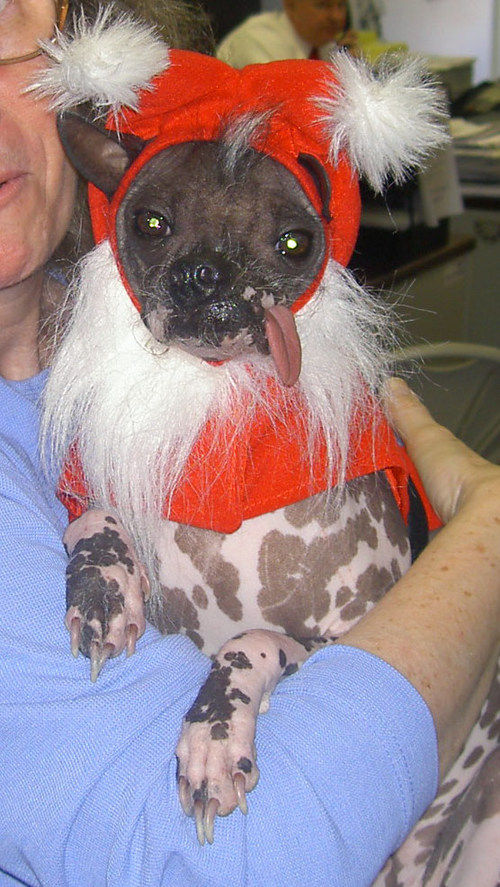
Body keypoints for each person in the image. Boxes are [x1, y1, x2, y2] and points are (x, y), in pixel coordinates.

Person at [0, 2, 498, 885]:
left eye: (9, 29)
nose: (208, 271)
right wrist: (487, 535)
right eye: (158, 227)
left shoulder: (104, 393)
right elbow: (209, 861)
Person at [216, 0, 405, 68]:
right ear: (290, 6)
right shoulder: (258, 39)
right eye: (323, 5)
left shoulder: (326, 46)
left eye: (340, 5)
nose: (336, 16)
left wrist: (353, 71)